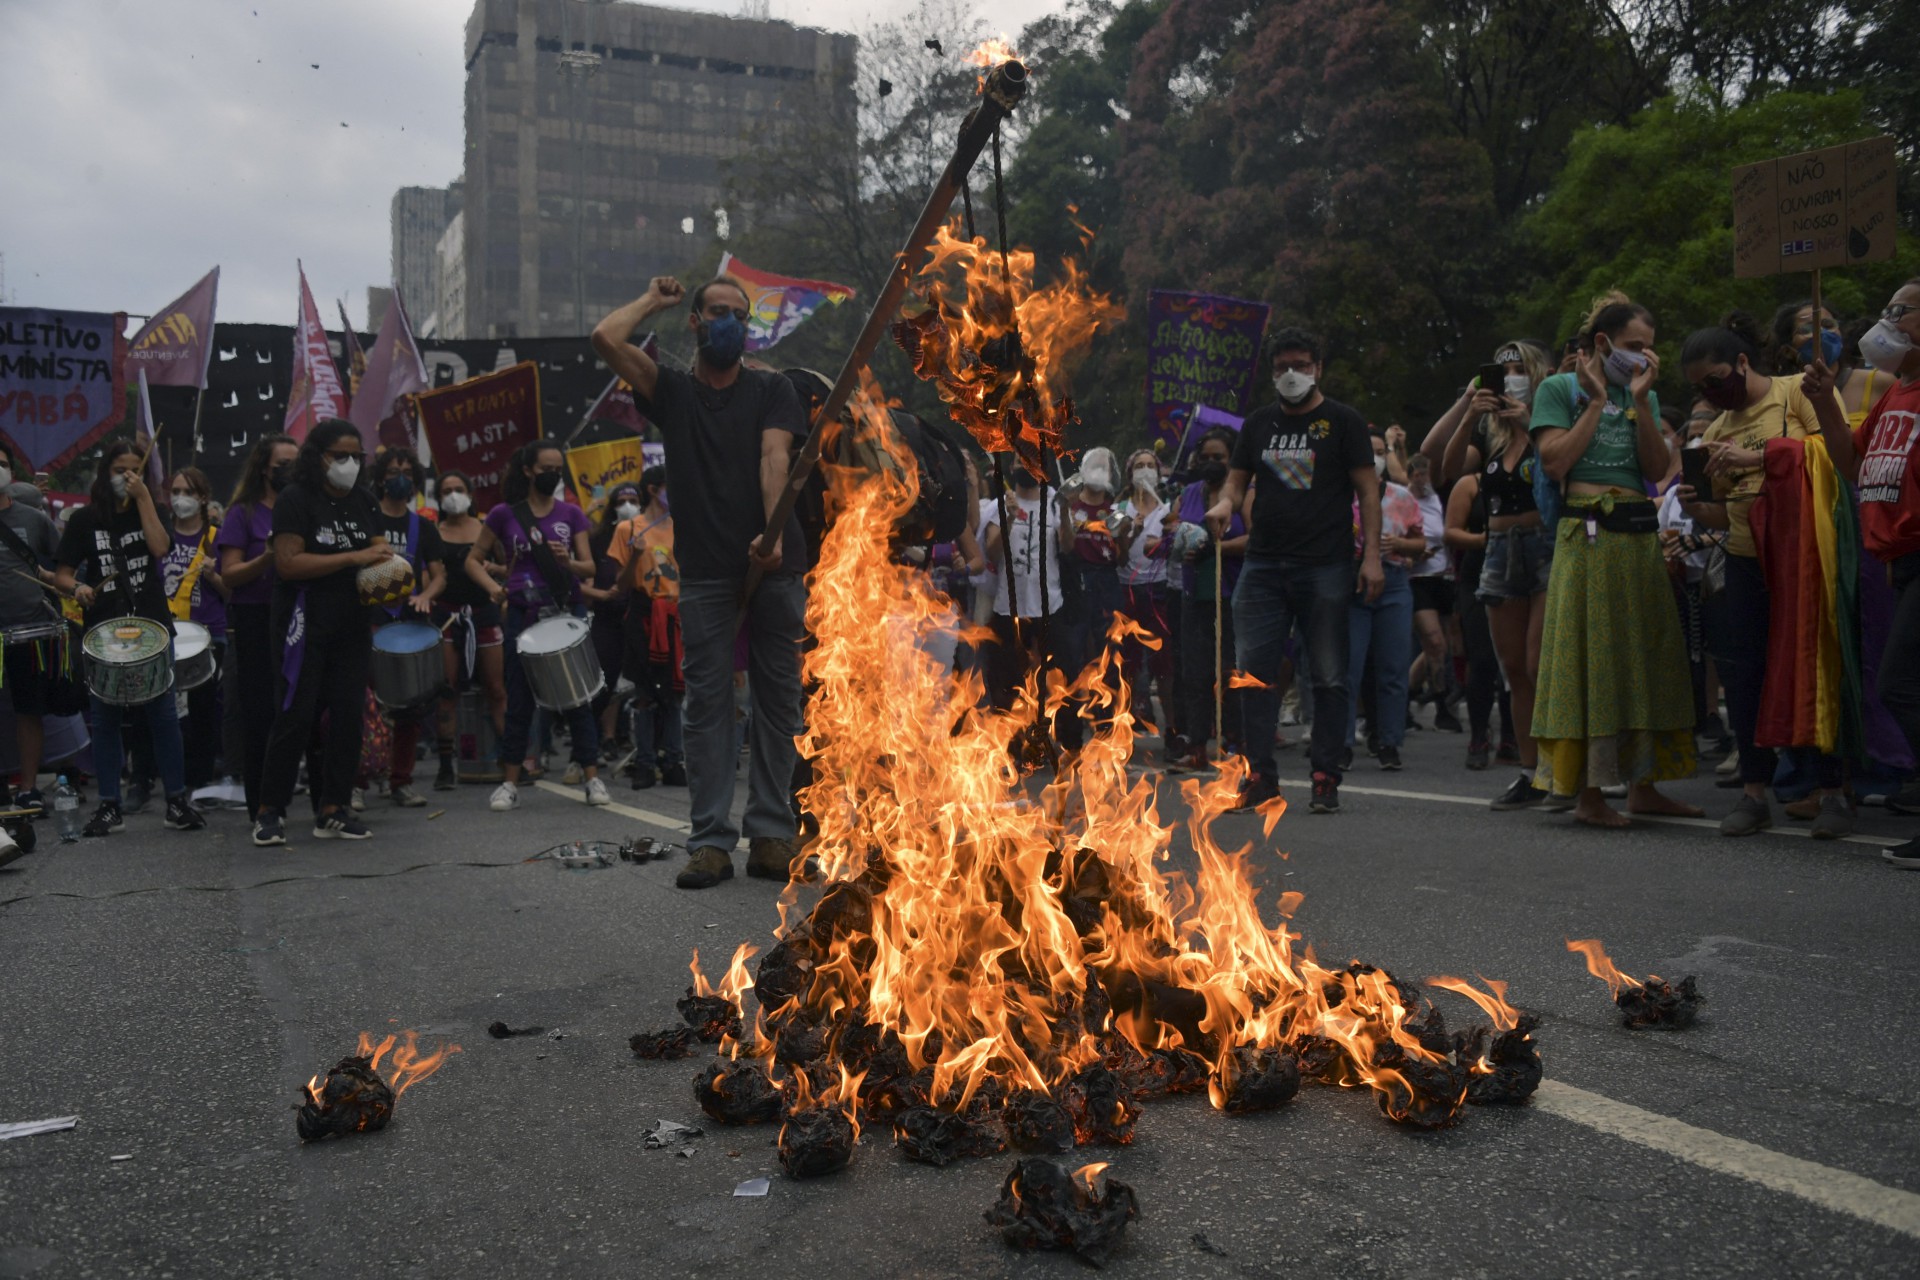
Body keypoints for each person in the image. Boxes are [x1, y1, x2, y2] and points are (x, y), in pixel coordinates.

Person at [593, 276, 810, 888]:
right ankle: (711, 840)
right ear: (695, 322)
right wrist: (652, 300)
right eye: (718, 313)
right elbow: (605, 337)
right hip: (708, 572)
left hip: (775, 564)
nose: (730, 324)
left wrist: (770, 536)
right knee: (708, 704)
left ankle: (771, 833)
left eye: (740, 316)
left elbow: (776, 459)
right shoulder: (673, 392)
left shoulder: (773, 389)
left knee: (778, 701)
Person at [1675, 314, 1850, 838]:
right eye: (1699, 388)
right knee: (1745, 674)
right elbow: (1722, 514)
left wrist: (1757, 455)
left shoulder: (1799, 392)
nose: (1710, 393)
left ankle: (1833, 791)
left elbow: (1835, 456)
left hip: (1805, 556)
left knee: (1815, 668)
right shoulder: (1719, 430)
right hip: (1747, 559)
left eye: (1714, 378)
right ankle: (1755, 791)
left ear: (1743, 362)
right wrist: (1697, 503)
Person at [1529, 293, 1699, 826]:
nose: (1643, 357)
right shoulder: (1559, 389)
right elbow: (1554, 462)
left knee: (1644, 657)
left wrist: (1641, 402)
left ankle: (1643, 786)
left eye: (1649, 349)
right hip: (1588, 535)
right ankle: (1590, 797)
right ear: (1602, 344)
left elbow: (1655, 466)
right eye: (1633, 347)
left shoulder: (1641, 395)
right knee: (1591, 663)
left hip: (1637, 536)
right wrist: (1599, 402)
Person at [1208, 327, 1382, 815]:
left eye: (1301, 365)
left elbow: (1368, 492)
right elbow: (1236, 484)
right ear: (1271, 372)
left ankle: (1325, 774)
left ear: (1318, 368)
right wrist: (1224, 507)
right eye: (1283, 366)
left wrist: (1370, 557)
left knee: (1327, 675)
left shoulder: (1342, 422)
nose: (1292, 374)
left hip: (1326, 565)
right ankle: (1260, 776)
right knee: (1254, 676)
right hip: (1263, 565)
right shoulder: (1259, 424)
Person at [1804, 277, 1920, 867]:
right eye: (1887, 308)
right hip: (1897, 563)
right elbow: (1850, 463)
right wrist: (1825, 400)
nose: (1887, 321)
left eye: (1901, 311)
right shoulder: (1897, 393)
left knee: (1898, 685)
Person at [1422, 340, 1558, 807]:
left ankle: (1562, 765)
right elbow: (1440, 461)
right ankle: (1530, 770)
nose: (1512, 375)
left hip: (1545, 545)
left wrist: (1527, 419)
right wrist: (1468, 404)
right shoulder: (1490, 431)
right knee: (1515, 670)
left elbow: (1560, 466)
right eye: (1503, 370)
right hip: (1499, 550)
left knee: (1541, 665)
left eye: (1521, 368)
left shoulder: (1552, 421)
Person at [53, 442, 205, 836]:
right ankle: (109, 805)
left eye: (135, 469)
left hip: (151, 626)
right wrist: (78, 589)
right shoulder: (85, 520)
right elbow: (63, 573)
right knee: (105, 718)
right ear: (106, 473)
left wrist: (143, 500)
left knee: (163, 714)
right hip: (104, 630)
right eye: (120, 469)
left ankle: (175, 799)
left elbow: (159, 548)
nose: (128, 476)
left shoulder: (150, 511)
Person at [252, 419, 386, 845]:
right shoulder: (295, 499)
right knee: (296, 713)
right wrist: (353, 557)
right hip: (303, 620)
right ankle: (270, 810)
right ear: (319, 457)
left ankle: (334, 807)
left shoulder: (365, 500)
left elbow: (377, 553)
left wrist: (389, 566)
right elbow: (288, 564)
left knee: (348, 714)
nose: (349, 464)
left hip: (352, 620)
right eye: (340, 456)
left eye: (356, 457)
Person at [470, 439, 610, 813]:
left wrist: (569, 562)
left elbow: (590, 568)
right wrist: (494, 589)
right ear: (529, 470)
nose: (553, 475)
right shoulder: (504, 513)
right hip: (523, 615)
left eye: (557, 470)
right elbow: (473, 560)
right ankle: (510, 783)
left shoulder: (572, 513)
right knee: (519, 699)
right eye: (546, 469)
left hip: (565, 610)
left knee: (578, 697)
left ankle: (592, 777)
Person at [359, 447, 447, 808]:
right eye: (394, 471)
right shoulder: (365, 519)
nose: (401, 478)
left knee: (409, 706)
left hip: (407, 622)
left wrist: (426, 594)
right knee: (363, 706)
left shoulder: (421, 525)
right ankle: (357, 782)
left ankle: (401, 781)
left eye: (408, 473)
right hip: (370, 621)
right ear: (380, 478)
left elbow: (440, 574)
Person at [216, 433, 297, 821]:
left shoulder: (301, 508)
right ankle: (261, 804)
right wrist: (266, 558)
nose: (289, 471)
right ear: (264, 467)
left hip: (297, 617)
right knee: (259, 712)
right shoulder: (243, 513)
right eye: (283, 464)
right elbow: (229, 575)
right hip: (255, 619)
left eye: (296, 463)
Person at [1165, 428, 1245, 770]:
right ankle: (1197, 744)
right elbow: (1172, 532)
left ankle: (1234, 744)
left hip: (1230, 595)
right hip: (1193, 595)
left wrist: (1214, 548)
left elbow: (1256, 539)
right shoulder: (1189, 493)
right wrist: (1178, 541)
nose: (1212, 464)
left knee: (1229, 670)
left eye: (1220, 458)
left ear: (1232, 460)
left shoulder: (1244, 493)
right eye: (1206, 458)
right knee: (1194, 672)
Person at [429, 468, 508, 787]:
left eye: (458, 488)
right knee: (447, 691)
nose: (453, 495)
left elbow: (508, 567)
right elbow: (430, 575)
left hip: (485, 615)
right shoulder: (433, 532)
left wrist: (495, 574)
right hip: (447, 617)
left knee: (496, 689)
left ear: (470, 493)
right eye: (446, 490)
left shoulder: (488, 529)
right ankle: (446, 765)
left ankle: (510, 757)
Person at [607, 465, 684, 789]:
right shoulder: (629, 528)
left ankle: (673, 761)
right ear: (654, 489)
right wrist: (637, 557)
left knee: (676, 693)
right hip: (642, 613)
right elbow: (621, 585)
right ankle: (645, 762)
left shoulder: (683, 526)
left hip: (675, 615)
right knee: (644, 693)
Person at [0, 441, 65, 817]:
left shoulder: (34, 519)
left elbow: (62, 567)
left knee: (28, 710)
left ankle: (28, 790)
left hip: (29, 629)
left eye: (3, 463)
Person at [1347, 466, 1423, 770]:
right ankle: (1341, 744)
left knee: (1393, 667)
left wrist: (1401, 545)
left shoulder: (1400, 496)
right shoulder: (1338, 492)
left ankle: (1389, 743)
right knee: (1348, 667)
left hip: (1393, 580)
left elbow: (1422, 542)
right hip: (1351, 582)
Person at [162, 466, 228, 792]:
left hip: (207, 636)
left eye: (188, 492)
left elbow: (233, 592)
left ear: (203, 498)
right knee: (164, 713)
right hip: (165, 636)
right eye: (175, 492)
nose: (180, 499)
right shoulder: (160, 535)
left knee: (202, 712)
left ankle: (199, 778)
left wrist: (214, 576)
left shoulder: (216, 537)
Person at [1113, 447, 1174, 738]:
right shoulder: (1120, 510)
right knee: (1128, 663)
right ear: (1130, 473)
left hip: (1160, 590)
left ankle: (1173, 730)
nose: (1146, 470)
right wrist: (1131, 534)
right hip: (1127, 591)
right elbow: (1118, 558)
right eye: (1140, 465)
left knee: (1164, 663)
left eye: (1151, 465)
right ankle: (1128, 725)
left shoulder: (1168, 509)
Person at [584, 481, 643, 767]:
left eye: (634, 499)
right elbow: (584, 581)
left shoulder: (650, 534)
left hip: (640, 616)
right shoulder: (598, 540)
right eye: (622, 501)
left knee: (640, 683)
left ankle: (640, 747)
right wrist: (602, 595)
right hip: (608, 616)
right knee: (603, 683)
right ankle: (592, 740)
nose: (628, 506)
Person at [1403, 454, 1461, 733]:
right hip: (1418, 578)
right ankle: (1441, 706)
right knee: (1434, 642)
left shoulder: (1437, 500)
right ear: (1410, 475)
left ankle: (1404, 696)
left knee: (1439, 647)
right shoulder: (1403, 500)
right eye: (1417, 474)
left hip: (1443, 576)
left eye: (1426, 475)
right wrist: (1413, 550)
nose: (1422, 480)